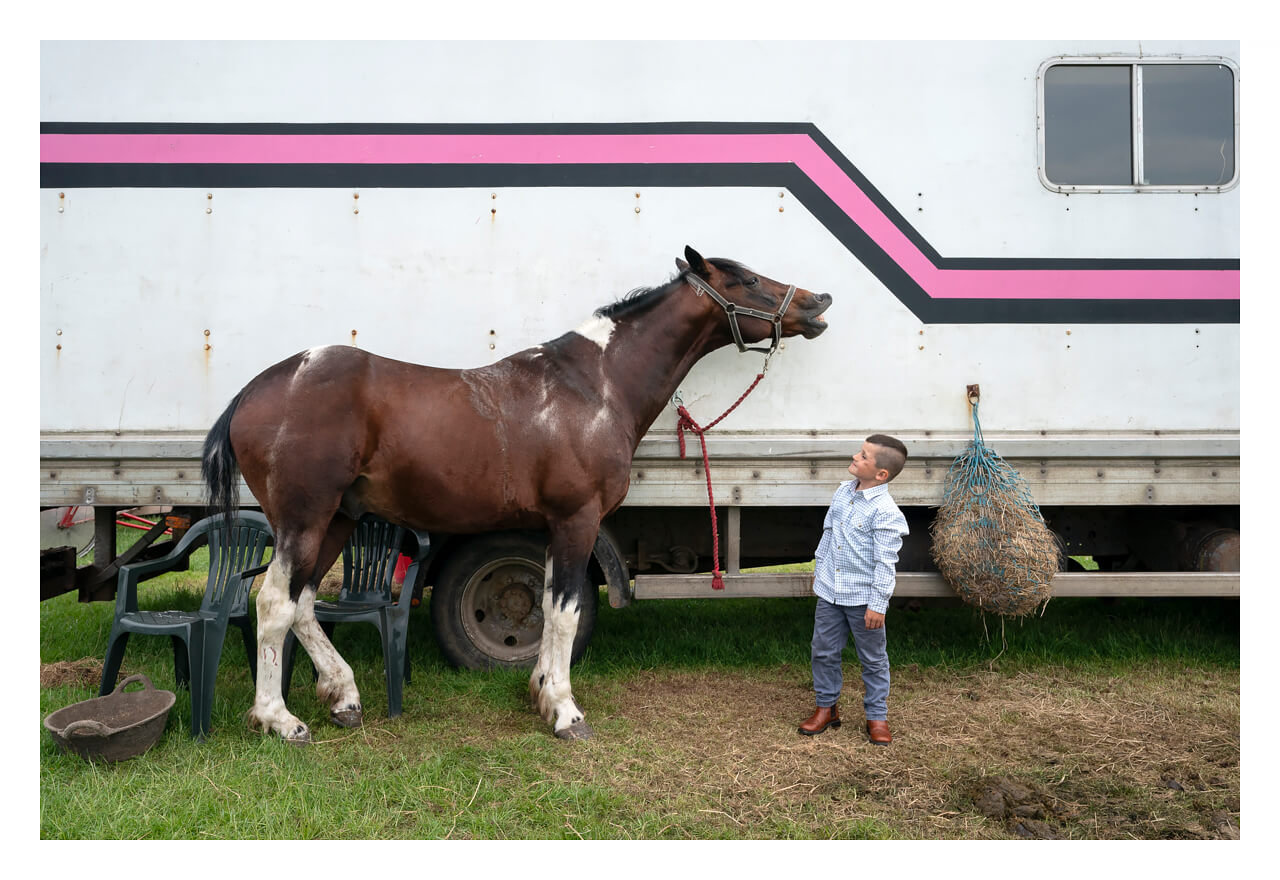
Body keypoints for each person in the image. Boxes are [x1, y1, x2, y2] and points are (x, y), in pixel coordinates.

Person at [798, 434, 909, 745]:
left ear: (880, 474)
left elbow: (886, 563)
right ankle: (827, 707)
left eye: (863, 456)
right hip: (831, 594)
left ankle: (876, 716)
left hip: (863, 600)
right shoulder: (842, 493)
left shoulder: (886, 512)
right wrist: (820, 572)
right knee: (823, 651)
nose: (855, 457)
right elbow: (828, 535)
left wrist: (878, 604)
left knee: (872, 659)